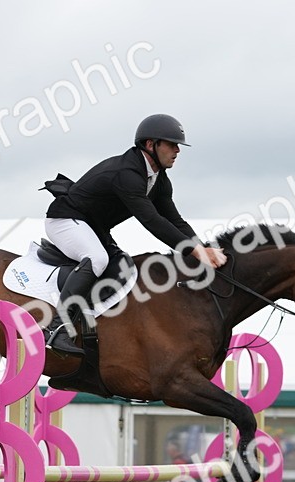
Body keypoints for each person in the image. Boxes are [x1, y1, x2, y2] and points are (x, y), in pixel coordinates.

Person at [41, 113, 227, 355]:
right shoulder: (127, 173)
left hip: (92, 227)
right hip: (65, 220)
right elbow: (151, 220)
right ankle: (57, 329)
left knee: (124, 268)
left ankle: (86, 326)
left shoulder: (159, 180)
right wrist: (195, 251)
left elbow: (175, 221)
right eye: (172, 144)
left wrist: (201, 248)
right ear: (151, 145)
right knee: (98, 259)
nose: (177, 151)